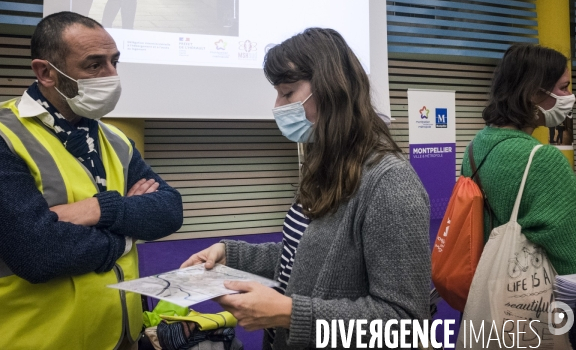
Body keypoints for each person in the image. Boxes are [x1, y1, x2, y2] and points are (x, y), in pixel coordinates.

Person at [181, 28, 431, 349]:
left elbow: (405, 323)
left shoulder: (390, 182)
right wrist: (232, 254)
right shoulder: (325, 162)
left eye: (287, 93)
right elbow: (305, 259)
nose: (277, 105)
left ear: (331, 90)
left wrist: (289, 313)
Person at [0, 12, 183, 350]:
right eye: (94, 65)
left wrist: (96, 210)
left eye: (115, 62)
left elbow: (169, 210)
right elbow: (37, 252)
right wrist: (128, 233)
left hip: (118, 338)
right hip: (31, 339)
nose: (111, 75)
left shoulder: (114, 139)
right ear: (45, 72)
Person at [464, 44, 576, 273]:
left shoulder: (476, 146)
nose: (570, 97)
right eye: (563, 88)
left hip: (485, 283)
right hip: (534, 297)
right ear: (533, 92)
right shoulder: (543, 160)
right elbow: (569, 254)